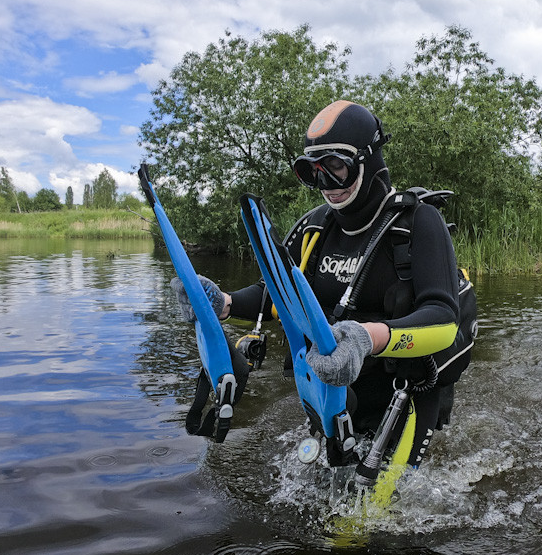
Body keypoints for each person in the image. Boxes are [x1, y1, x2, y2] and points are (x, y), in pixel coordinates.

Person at [172, 100, 460, 470]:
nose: (327, 185)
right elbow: (275, 294)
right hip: (331, 397)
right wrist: (223, 302)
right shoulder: (314, 228)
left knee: (368, 518)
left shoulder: (418, 223)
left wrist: (367, 337)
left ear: (367, 160)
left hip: (405, 397)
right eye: (313, 172)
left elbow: (444, 322)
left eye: (337, 168)